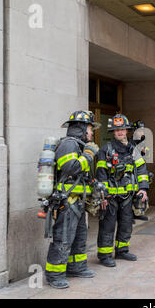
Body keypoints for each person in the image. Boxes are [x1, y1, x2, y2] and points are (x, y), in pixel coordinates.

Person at [44, 110, 101, 289]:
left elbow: (81, 175)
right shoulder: (69, 144)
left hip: (77, 201)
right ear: (82, 128)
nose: (92, 133)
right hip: (66, 202)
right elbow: (70, 168)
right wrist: (89, 155)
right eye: (91, 128)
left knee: (79, 237)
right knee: (63, 239)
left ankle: (76, 267)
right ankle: (54, 275)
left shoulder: (79, 145)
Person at [96, 114, 149, 267]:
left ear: (127, 130)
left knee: (126, 224)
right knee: (108, 225)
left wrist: (143, 189)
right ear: (113, 132)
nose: (120, 132)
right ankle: (105, 255)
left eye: (122, 129)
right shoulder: (105, 150)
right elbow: (101, 175)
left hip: (128, 197)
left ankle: (122, 250)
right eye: (116, 130)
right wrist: (103, 195)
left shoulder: (134, 149)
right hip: (110, 197)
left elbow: (141, 169)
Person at [130, 120, 152, 222]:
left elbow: (148, 156)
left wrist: (145, 151)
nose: (142, 132)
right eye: (140, 130)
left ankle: (138, 212)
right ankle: (130, 215)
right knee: (131, 194)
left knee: (140, 193)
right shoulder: (131, 142)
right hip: (132, 172)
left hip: (141, 170)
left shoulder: (143, 142)